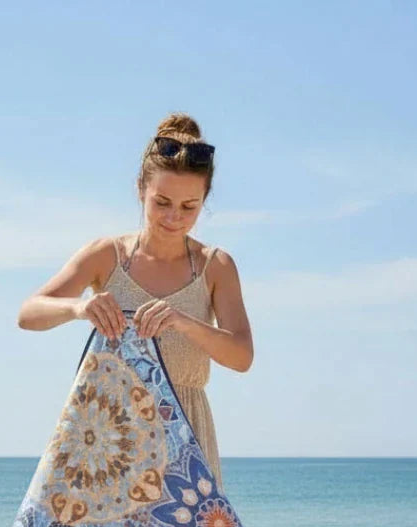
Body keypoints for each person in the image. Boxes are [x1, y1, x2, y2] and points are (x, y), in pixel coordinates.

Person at [17, 112, 253, 490]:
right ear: (140, 189)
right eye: (162, 202)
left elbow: (242, 356)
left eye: (189, 207)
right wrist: (78, 308)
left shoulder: (215, 267)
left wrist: (183, 322)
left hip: (187, 438)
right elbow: (28, 314)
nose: (174, 217)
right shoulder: (106, 255)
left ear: (204, 201)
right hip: (110, 438)